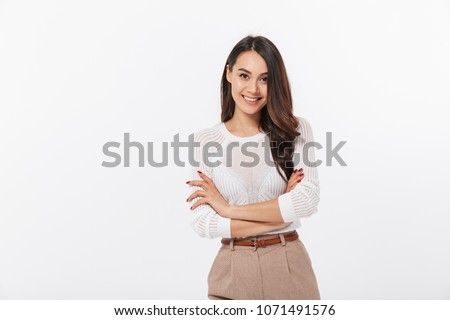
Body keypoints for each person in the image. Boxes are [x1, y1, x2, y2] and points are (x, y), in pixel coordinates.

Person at [186, 35, 321, 300]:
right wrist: (282, 210)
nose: (254, 89)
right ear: (229, 74)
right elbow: (202, 221)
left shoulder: (295, 130)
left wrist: (229, 210)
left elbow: (306, 201)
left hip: (289, 268)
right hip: (232, 271)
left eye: (265, 79)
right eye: (244, 75)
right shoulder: (205, 142)